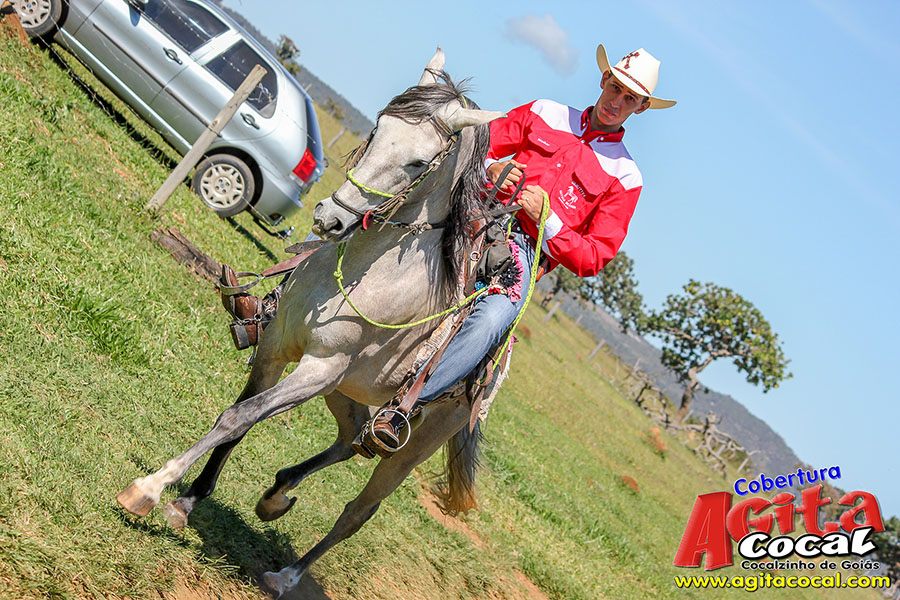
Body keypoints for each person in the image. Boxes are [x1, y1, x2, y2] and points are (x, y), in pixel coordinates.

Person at [222, 45, 676, 451]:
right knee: (382, 208)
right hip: (473, 205)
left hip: (520, 252)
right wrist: (493, 167)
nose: (617, 100)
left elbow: (593, 256)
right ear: (603, 79)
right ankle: (274, 306)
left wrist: (547, 219)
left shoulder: (625, 176)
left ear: (640, 108)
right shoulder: (546, 112)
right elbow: (482, 143)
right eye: (615, 87)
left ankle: (403, 407)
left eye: (629, 98)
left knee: (494, 318)